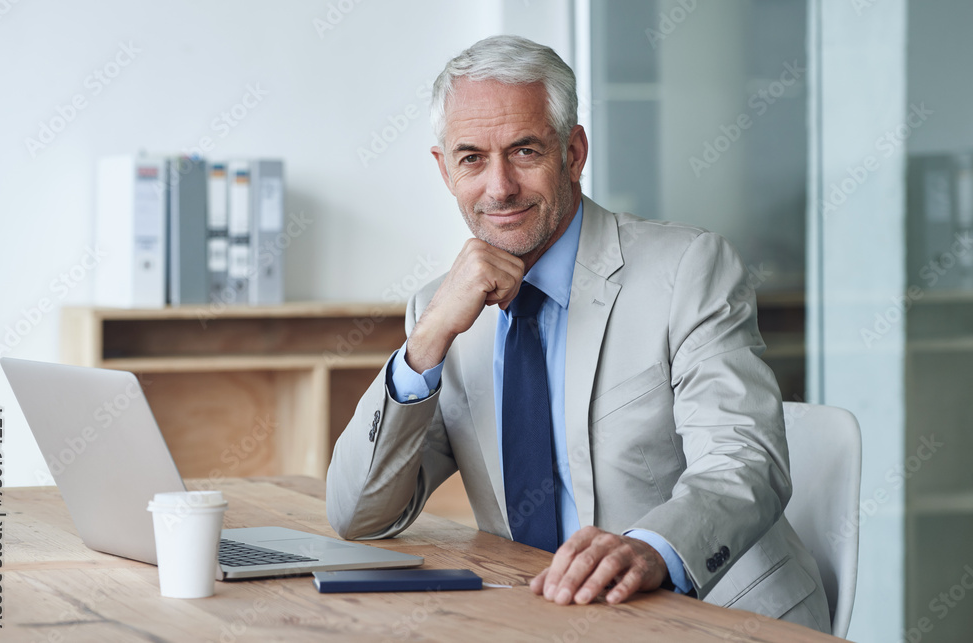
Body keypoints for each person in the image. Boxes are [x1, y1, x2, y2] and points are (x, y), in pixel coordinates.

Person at [326, 35, 831, 633]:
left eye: (524, 151)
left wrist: (652, 550)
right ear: (444, 169)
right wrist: (428, 338)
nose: (499, 187)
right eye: (471, 159)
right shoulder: (442, 311)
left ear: (573, 151)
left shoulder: (688, 268)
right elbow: (359, 514)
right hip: (546, 619)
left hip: (718, 616)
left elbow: (744, 461)